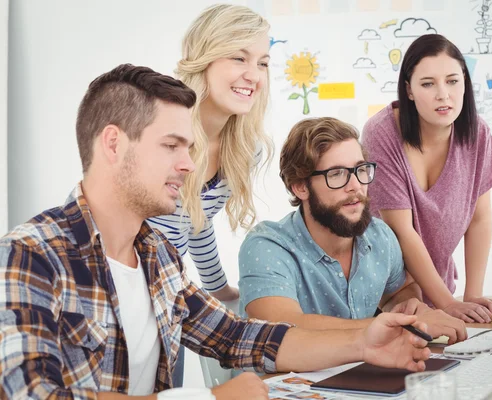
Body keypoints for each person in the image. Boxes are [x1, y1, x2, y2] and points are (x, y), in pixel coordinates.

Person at [0, 64, 430, 400]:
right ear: (113, 144)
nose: (188, 165)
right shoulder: (32, 255)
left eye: (188, 147)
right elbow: (30, 393)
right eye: (171, 145)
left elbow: (238, 337)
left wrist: (364, 343)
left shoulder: (158, 257)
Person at [238, 117, 467, 344]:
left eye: (360, 170)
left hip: (359, 374)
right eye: (336, 174)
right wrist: (396, 325)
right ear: (300, 187)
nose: (356, 185)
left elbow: (400, 290)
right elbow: (280, 327)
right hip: (282, 380)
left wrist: (406, 307)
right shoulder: (267, 246)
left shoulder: (380, 236)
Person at [146, 3, 274, 385]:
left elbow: (195, 224)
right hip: (119, 300)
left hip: (168, 304)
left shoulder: (243, 147)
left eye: (263, 62)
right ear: (204, 59)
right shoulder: (159, 127)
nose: (253, 75)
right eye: (239, 57)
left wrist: (217, 286)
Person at [362, 34, 492, 324]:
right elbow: (401, 231)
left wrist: (471, 295)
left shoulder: (476, 133)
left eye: (452, 81)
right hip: (387, 295)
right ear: (410, 90)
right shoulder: (380, 133)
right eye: (428, 83)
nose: (443, 94)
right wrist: (448, 303)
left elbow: (480, 219)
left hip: (441, 292)